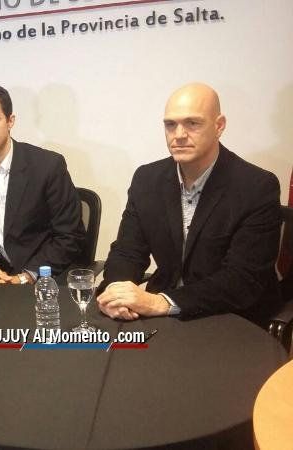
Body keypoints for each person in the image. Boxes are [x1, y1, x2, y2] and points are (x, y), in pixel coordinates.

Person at [97, 83, 281, 325]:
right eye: (170, 125)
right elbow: (127, 251)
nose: (179, 135)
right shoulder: (147, 179)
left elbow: (242, 279)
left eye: (192, 123)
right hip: (164, 313)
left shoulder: (256, 186)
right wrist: (116, 294)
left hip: (231, 316)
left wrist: (161, 303)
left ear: (219, 126)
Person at [0, 85, 85, 284]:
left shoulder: (47, 166)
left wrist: (26, 276)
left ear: (10, 121)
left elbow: (70, 236)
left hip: (40, 280)